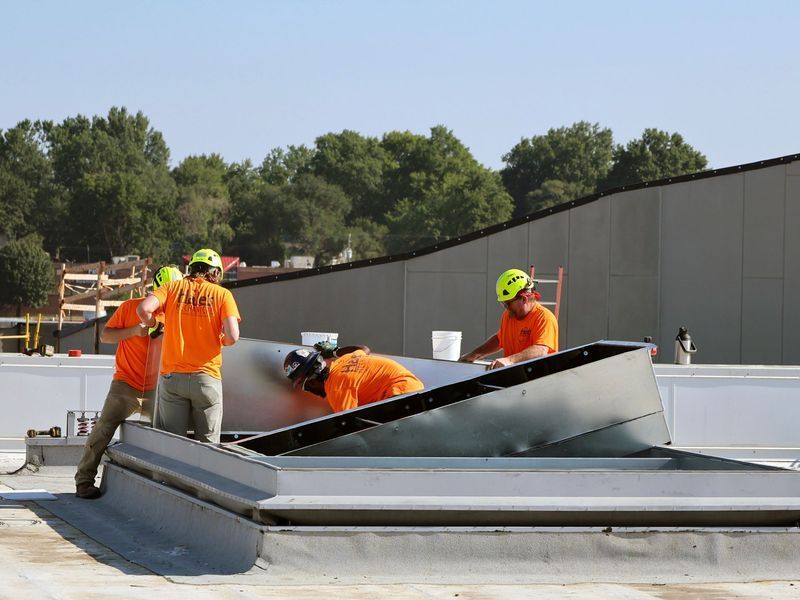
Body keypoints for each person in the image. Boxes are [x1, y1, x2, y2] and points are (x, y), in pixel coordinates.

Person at [74, 264, 184, 500]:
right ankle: (84, 481)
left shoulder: (178, 315)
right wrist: (135, 330)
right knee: (103, 429)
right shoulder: (130, 308)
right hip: (126, 385)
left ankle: (169, 488)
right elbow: (106, 336)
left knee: (170, 436)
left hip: (159, 388)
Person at [137, 248, 241, 443]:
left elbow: (143, 309)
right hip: (206, 378)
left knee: (172, 445)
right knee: (209, 446)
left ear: (192, 268)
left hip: (172, 379)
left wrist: (155, 323)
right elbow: (233, 336)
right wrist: (220, 340)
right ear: (216, 272)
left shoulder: (171, 288)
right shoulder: (222, 294)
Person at [459, 268, 558, 370]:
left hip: (538, 381)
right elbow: (500, 339)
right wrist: (475, 355)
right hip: (515, 377)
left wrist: (509, 360)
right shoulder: (509, 316)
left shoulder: (544, 318)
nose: (505, 306)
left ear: (524, 299)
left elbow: (540, 350)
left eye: (507, 303)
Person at [283, 344, 424, 413]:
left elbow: (347, 420)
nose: (309, 391)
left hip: (400, 396)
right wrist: (334, 351)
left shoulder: (336, 387)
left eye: (305, 386)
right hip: (414, 389)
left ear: (312, 380)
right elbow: (364, 348)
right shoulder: (346, 359)